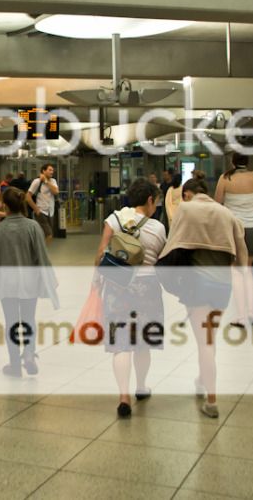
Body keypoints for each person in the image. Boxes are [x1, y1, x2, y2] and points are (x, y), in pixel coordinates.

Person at [157, 178, 248, 418]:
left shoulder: (186, 209)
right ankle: (201, 379)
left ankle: (212, 400)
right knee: (209, 339)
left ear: (187, 194)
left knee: (204, 343)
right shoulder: (226, 213)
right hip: (223, 286)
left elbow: (172, 244)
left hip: (197, 284)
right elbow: (241, 253)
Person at [95, 179, 167, 418]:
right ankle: (141, 387)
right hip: (147, 288)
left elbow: (100, 255)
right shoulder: (157, 228)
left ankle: (123, 396)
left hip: (117, 287)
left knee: (121, 344)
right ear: (149, 200)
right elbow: (162, 259)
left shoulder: (113, 220)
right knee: (143, 341)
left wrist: (97, 282)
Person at [0, 187, 59, 377]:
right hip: (29, 283)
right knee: (29, 319)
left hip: (7, 284)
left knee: (11, 322)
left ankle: (15, 365)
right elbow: (41, 256)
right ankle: (29, 354)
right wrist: (50, 280)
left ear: (5, 207)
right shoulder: (33, 227)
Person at [215, 153, 253, 327]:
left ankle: (241, 316)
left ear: (232, 161)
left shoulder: (225, 178)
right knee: (248, 269)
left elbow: (217, 203)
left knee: (235, 271)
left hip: (234, 227)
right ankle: (251, 312)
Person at [25, 163, 59, 244]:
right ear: (43, 171)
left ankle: (38, 249)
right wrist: (36, 209)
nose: (52, 172)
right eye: (50, 170)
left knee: (45, 234)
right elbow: (28, 197)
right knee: (49, 234)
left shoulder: (53, 181)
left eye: (52, 170)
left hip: (50, 212)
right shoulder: (37, 181)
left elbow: (56, 192)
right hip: (41, 211)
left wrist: (46, 181)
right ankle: (41, 251)